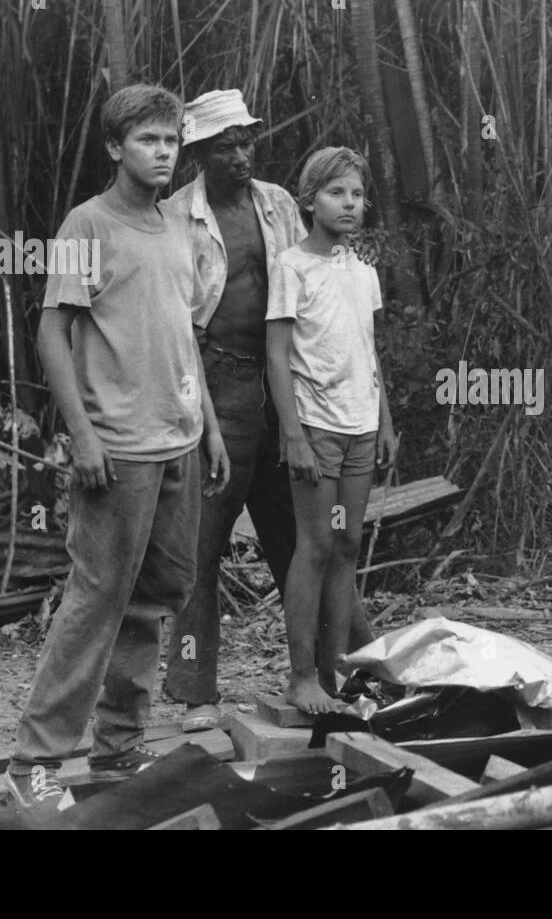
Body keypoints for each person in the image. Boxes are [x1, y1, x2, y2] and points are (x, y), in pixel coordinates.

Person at [6, 84, 229, 816]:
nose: (163, 153)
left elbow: (183, 336)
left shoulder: (175, 226)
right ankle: (35, 759)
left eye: (171, 141)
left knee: (155, 594)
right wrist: (82, 432)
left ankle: (119, 740)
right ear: (115, 148)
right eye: (148, 141)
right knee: (98, 597)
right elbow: (51, 332)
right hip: (119, 446)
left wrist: (213, 429)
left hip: (179, 440)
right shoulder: (86, 224)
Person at [160, 90, 370, 732]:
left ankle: (347, 669)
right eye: (226, 146)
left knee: (313, 535)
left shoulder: (279, 202)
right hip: (218, 379)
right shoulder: (176, 218)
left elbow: (329, 286)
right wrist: (208, 425)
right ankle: (197, 693)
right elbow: (178, 329)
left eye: (247, 141)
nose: (241, 154)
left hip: (292, 388)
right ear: (198, 152)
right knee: (204, 540)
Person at [266, 147, 398, 714]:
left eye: (356, 194)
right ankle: (300, 677)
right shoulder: (292, 267)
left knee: (347, 545)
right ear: (309, 200)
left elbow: (368, 352)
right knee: (315, 544)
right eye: (336, 193)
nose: (349, 203)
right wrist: (291, 433)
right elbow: (276, 355)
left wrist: (385, 422)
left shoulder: (363, 273)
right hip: (316, 426)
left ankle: (334, 671)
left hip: (360, 428)